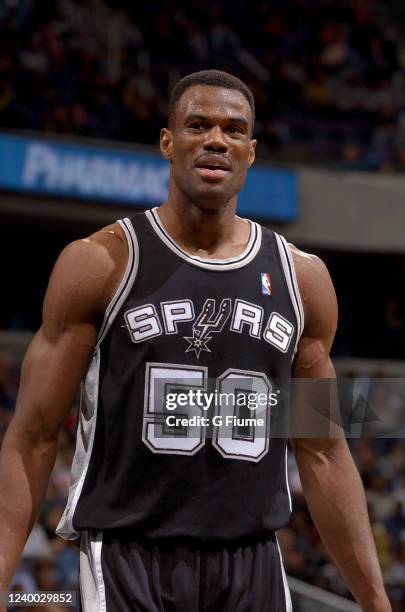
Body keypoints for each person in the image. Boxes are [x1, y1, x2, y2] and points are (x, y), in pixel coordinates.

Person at [0, 70, 391, 612]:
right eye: (198, 125)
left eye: (234, 130)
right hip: (128, 557)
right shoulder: (99, 262)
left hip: (253, 562)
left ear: (251, 152)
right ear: (167, 141)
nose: (215, 139)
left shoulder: (304, 279)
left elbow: (323, 448)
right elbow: (34, 436)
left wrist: (375, 600)